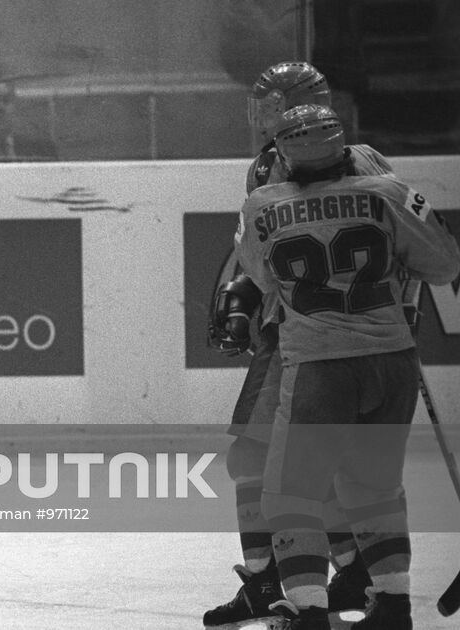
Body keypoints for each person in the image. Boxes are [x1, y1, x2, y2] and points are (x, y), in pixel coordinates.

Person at [233, 103, 460, 630]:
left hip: (320, 368)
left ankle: (309, 614)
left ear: (283, 152)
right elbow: (445, 263)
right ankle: (394, 608)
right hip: (392, 364)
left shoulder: (261, 205)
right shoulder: (391, 194)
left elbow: (266, 281)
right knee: (375, 489)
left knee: (290, 493)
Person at [203, 61, 396, 630]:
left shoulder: (273, 163)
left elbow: (265, 249)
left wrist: (238, 297)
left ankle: (270, 583)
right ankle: (362, 573)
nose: (257, 116)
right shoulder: (369, 160)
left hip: (294, 335)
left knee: (254, 462)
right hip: (369, 342)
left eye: (265, 105)